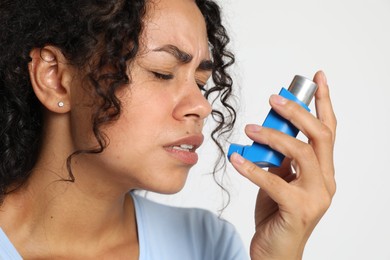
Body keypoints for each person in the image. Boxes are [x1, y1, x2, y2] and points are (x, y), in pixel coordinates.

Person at [0, 0, 337, 259]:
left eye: (202, 83)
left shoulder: (208, 244)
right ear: (56, 79)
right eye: (162, 73)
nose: (202, 106)